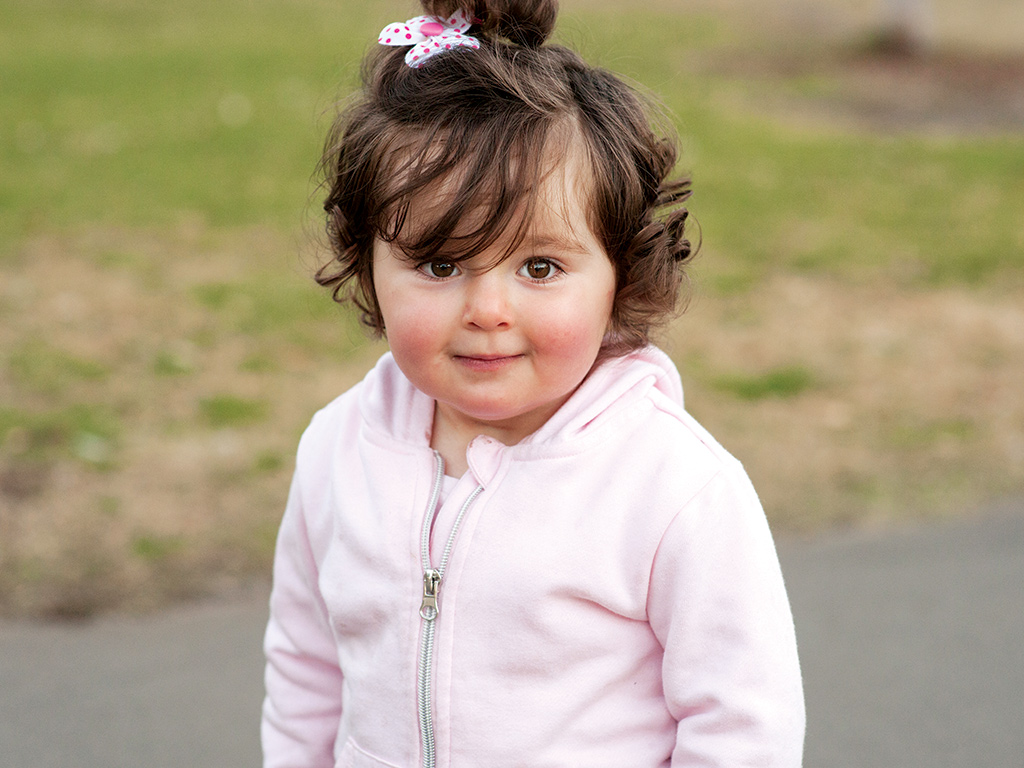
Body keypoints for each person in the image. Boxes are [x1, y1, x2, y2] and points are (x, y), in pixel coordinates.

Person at [261, 1, 805, 766]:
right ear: (367, 264)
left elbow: (743, 722)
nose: (488, 311)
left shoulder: (673, 488)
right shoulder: (338, 451)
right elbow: (304, 667)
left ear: (619, 274)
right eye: (440, 264)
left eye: (540, 268)